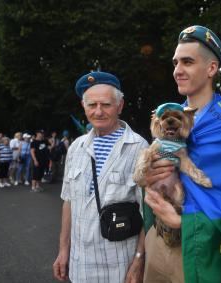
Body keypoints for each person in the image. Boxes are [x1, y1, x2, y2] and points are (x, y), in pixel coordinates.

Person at [137, 25, 221, 283]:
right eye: (175, 63)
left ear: (211, 69)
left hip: (198, 246)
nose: (177, 71)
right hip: (158, 239)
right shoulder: (170, 117)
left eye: (187, 62)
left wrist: (184, 223)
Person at [52, 71, 148, 282]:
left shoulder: (139, 148)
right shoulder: (76, 147)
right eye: (92, 105)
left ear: (120, 106)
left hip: (120, 265)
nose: (98, 112)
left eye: (106, 104)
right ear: (83, 107)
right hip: (79, 265)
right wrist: (63, 250)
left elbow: (149, 213)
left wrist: (140, 260)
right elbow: (68, 202)